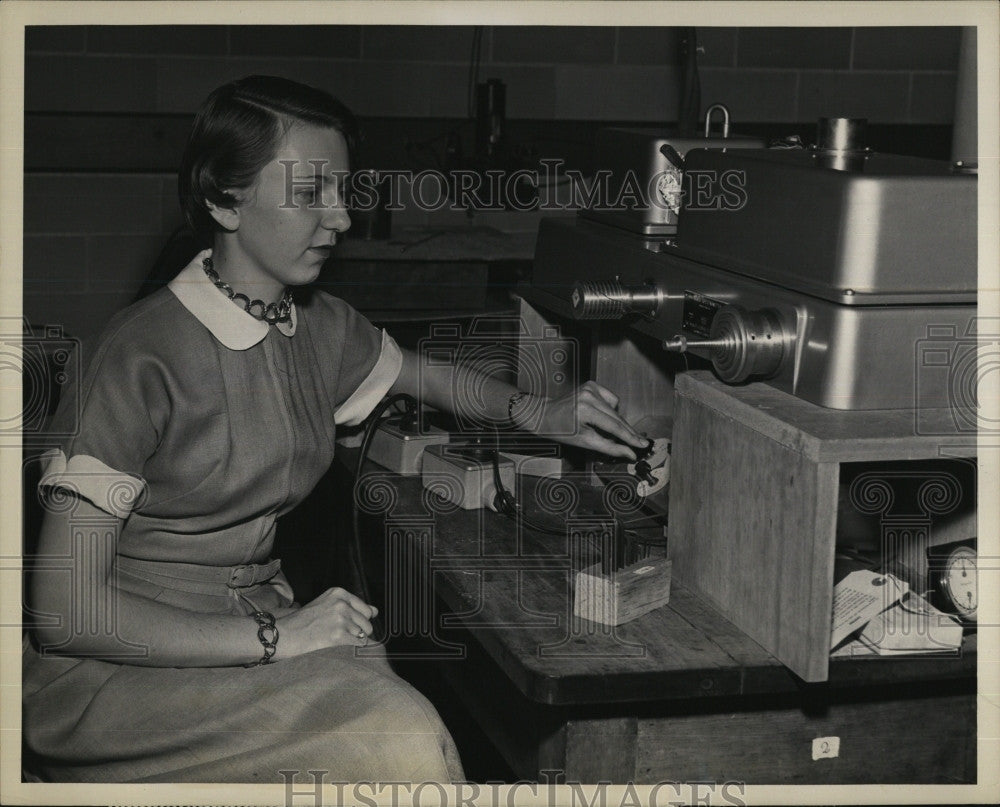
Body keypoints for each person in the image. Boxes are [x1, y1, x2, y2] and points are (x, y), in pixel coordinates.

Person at [22, 75, 648, 784]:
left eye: (344, 191)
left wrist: (546, 413)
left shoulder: (314, 323)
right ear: (225, 198)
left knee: (404, 729)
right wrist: (274, 635)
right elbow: (65, 611)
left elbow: (427, 375)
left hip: (262, 628)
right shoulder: (134, 356)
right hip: (122, 670)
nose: (342, 218)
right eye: (310, 191)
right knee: (399, 743)